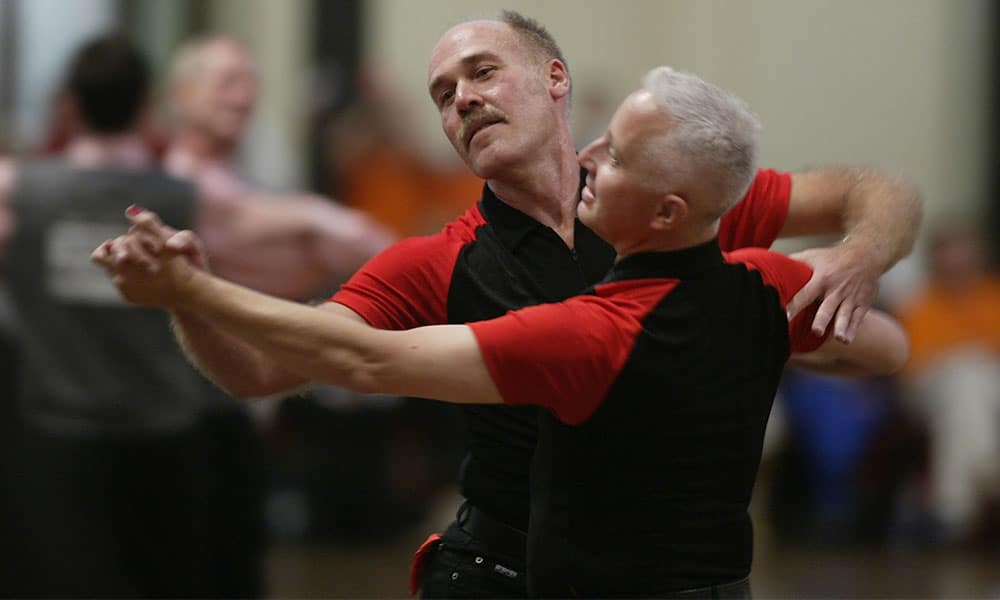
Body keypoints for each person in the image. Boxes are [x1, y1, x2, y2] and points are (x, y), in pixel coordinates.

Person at [94, 11, 922, 598]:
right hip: (504, 572)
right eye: (443, 94)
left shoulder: (677, 199)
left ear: (554, 79)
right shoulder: (438, 262)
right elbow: (271, 369)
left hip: (678, 571)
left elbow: (873, 194)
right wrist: (190, 301)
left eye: (483, 71)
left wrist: (854, 260)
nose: (462, 99)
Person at [0, 34, 250, 597]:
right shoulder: (191, 200)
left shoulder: (18, 192)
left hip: (57, 447)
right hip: (166, 449)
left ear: (71, 105)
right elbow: (314, 239)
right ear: (146, 108)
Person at [163, 35, 394, 299]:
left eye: (250, 83)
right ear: (183, 94)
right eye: (227, 83)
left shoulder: (249, 175)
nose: (242, 96)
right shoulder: (175, 180)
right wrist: (312, 217)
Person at [896, 223, 1000, 543]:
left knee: (969, 390)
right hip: (929, 390)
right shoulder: (919, 305)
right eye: (948, 254)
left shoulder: (994, 297)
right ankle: (986, 476)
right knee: (964, 381)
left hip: (987, 388)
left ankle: (953, 508)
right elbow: (910, 369)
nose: (956, 263)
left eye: (963, 254)